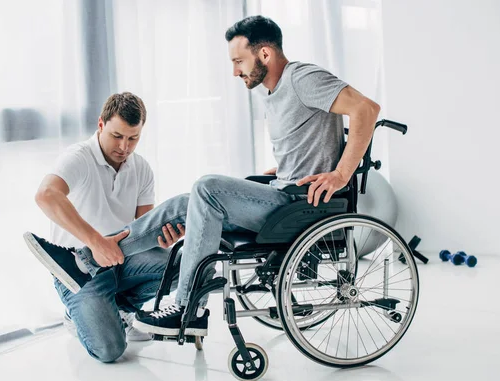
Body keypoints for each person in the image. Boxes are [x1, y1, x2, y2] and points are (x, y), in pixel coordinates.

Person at [24, 15, 380, 338]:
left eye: (239, 61)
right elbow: (310, 143)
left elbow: (366, 108)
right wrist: (283, 170)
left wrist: (340, 174)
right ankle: (87, 260)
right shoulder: (275, 92)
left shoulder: (302, 77)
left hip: (299, 205)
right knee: (184, 204)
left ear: (265, 54)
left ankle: (185, 308)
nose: (235, 71)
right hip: (284, 192)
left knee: (207, 187)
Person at [23, 92, 185, 362]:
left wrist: (163, 239)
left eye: (133, 138)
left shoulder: (141, 168)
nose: (124, 146)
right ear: (101, 125)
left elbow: (143, 228)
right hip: (81, 276)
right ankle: (75, 296)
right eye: (117, 136)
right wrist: (96, 243)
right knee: (111, 351)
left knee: (184, 264)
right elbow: (46, 195)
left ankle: (120, 309)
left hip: (122, 261)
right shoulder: (78, 157)